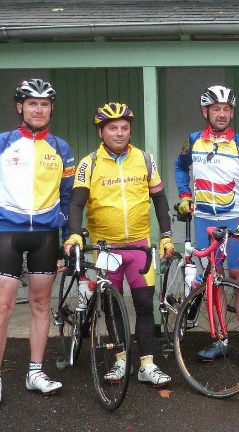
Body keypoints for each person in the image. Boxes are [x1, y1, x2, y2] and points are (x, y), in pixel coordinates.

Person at [0, 78, 76, 408]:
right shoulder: (0, 143)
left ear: (51, 109)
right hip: (7, 232)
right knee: (1, 306)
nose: (38, 109)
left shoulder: (61, 148)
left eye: (45, 104)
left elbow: (69, 199)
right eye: (32, 103)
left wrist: (68, 238)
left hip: (46, 234)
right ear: (20, 107)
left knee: (41, 304)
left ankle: (35, 372)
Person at [62, 102, 175, 388]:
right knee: (112, 306)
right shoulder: (89, 163)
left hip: (140, 247)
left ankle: (147, 365)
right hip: (106, 248)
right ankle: (121, 361)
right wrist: (74, 234)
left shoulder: (145, 159)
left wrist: (166, 235)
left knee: (144, 305)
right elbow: (76, 203)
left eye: (124, 128)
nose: (120, 133)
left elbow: (160, 199)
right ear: (101, 132)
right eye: (113, 128)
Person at [174, 85, 239, 366]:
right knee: (214, 280)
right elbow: (180, 167)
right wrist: (185, 195)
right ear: (206, 112)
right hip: (204, 221)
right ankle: (221, 339)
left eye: (226, 109)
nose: (222, 114)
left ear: (232, 112)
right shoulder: (193, 141)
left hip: (235, 219)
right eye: (216, 109)